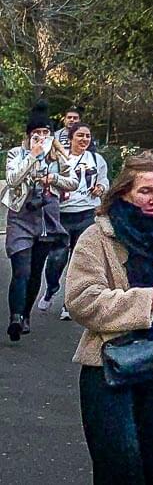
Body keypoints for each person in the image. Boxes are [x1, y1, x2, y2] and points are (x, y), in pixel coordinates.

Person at [65, 151, 153, 485]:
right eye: (146, 191)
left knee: (150, 461)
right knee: (119, 467)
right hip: (107, 368)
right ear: (125, 192)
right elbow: (80, 300)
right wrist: (146, 301)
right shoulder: (97, 238)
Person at [3, 109, 78, 340]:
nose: (42, 137)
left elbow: (73, 182)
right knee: (21, 271)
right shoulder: (17, 153)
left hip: (47, 217)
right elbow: (13, 179)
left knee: (36, 272)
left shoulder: (58, 156)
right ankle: (15, 317)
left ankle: (25, 315)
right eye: (37, 133)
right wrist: (32, 156)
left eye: (46, 132)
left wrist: (52, 178)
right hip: (21, 215)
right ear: (28, 135)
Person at [42, 122, 109, 320]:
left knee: (78, 262)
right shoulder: (60, 159)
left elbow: (104, 181)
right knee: (56, 258)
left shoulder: (96, 159)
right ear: (70, 139)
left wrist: (101, 188)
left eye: (87, 136)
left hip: (87, 214)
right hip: (62, 215)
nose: (84, 140)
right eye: (80, 136)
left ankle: (68, 304)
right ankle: (51, 287)